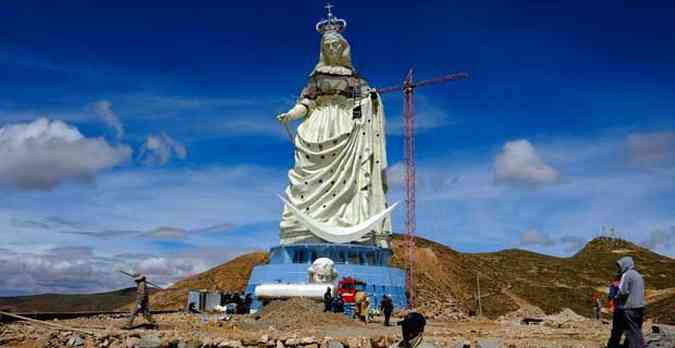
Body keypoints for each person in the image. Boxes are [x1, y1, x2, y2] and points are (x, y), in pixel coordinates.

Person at [276, 5, 392, 249]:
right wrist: (290, 115)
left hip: (345, 127)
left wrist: (369, 102)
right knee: (308, 179)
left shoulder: (356, 79)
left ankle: (348, 223)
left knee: (350, 180)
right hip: (317, 127)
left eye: (335, 46)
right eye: (327, 46)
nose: (331, 49)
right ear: (322, 49)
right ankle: (304, 232)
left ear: (342, 48)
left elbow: (362, 103)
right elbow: (305, 104)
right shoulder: (315, 78)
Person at [608, 256, 646, 348]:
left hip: (628, 307)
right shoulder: (638, 275)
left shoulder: (626, 275)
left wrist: (616, 297)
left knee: (623, 331)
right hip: (640, 307)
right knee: (635, 330)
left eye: (620, 265)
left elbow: (623, 291)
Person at [606, 273, 623, 347]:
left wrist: (610, 307)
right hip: (628, 309)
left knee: (616, 330)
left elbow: (610, 297)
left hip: (618, 309)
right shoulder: (627, 284)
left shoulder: (614, 285)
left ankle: (613, 345)